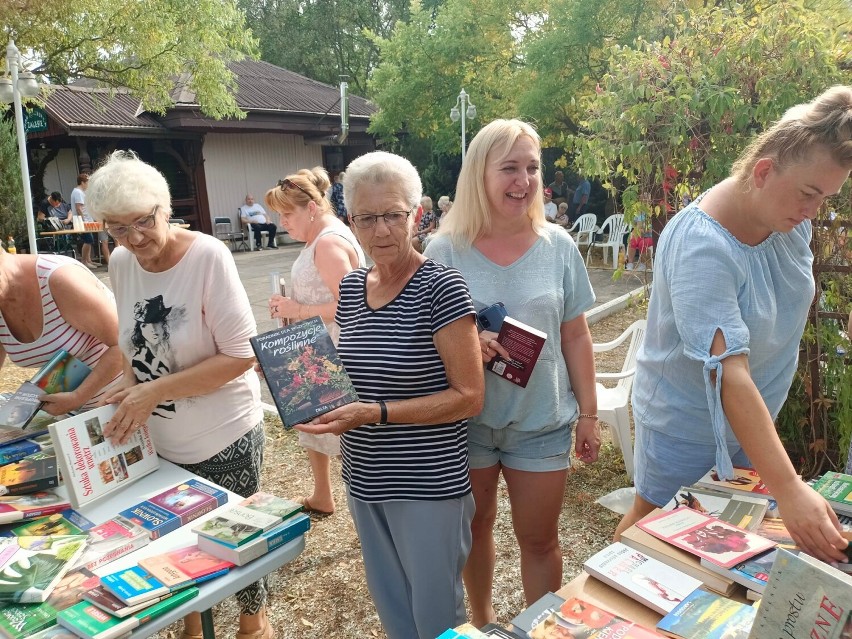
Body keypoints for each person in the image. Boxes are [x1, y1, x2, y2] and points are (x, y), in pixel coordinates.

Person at [614, 85, 852, 565]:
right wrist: (787, 487)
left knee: (716, 536)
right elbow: (729, 375)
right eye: (809, 194)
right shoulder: (704, 246)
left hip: (751, 421)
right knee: (654, 533)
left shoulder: (788, 218)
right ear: (763, 171)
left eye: (825, 198)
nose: (813, 212)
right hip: (687, 425)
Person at [294, 151, 484, 639]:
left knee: (438, 619)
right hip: (365, 478)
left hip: (426, 485)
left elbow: (468, 397)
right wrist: (309, 396)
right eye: (365, 217)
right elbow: (354, 376)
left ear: (416, 214)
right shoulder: (354, 288)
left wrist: (376, 413)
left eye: (393, 215)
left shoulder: (441, 288)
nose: (380, 231)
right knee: (394, 612)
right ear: (350, 220)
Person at [85, 151, 271, 639]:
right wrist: (127, 388)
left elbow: (240, 356)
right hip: (161, 441)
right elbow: (133, 345)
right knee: (178, 549)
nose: (134, 238)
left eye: (143, 222)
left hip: (223, 434)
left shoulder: (207, 255)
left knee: (238, 540)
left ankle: (253, 624)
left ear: (165, 209)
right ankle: (195, 625)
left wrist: (152, 392)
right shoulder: (122, 260)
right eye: (117, 228)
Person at [424, 119, 600, 626]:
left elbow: (576, 335)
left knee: (540, 539)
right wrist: (465, 343)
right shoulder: (444, 250)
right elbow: (424, 338)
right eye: (509, 168)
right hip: (467, 424)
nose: (523, 181)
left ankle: (540, 629)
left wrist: (589, 413)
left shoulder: (559, 246)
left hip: (541, 423)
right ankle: (480, 625)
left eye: (531, 168)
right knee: (475, 531)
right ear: (479, 174)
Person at [265, 167, 365, 515]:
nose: (283, 222)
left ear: (311, 208)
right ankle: (323, 493)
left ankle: (358, 506)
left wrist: (299, 308)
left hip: (333, 349)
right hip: (318, 345)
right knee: (316, 425)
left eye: (287, 214)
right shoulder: (324, 236)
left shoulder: (329, 243)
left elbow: (351, 304)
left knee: (341, 428)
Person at [0, 250, 123, 415]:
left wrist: (78, 397)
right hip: (78, 414)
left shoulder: (59, 278)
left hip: (129, 402)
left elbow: (125, 344)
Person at [70, 173, 111, 268]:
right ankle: (84, 261)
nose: (88, 185)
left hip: (87, 220)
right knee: (88, 240)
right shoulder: (78, 192)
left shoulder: (80, 192)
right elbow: (79, 207)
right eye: (87, 182)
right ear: (82, 182)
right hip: (83, 221)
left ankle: (88, 260)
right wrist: (84, 220)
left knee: (89, 240)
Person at [625, 205, 653, 271]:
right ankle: (630, 264)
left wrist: (644, 229)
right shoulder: (638, 213)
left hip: (651, 236)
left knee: (642, 243)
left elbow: (650, 229)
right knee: (632, 239)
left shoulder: (654, 211)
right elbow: (633, 226)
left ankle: (642, 264)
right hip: (641, 234)